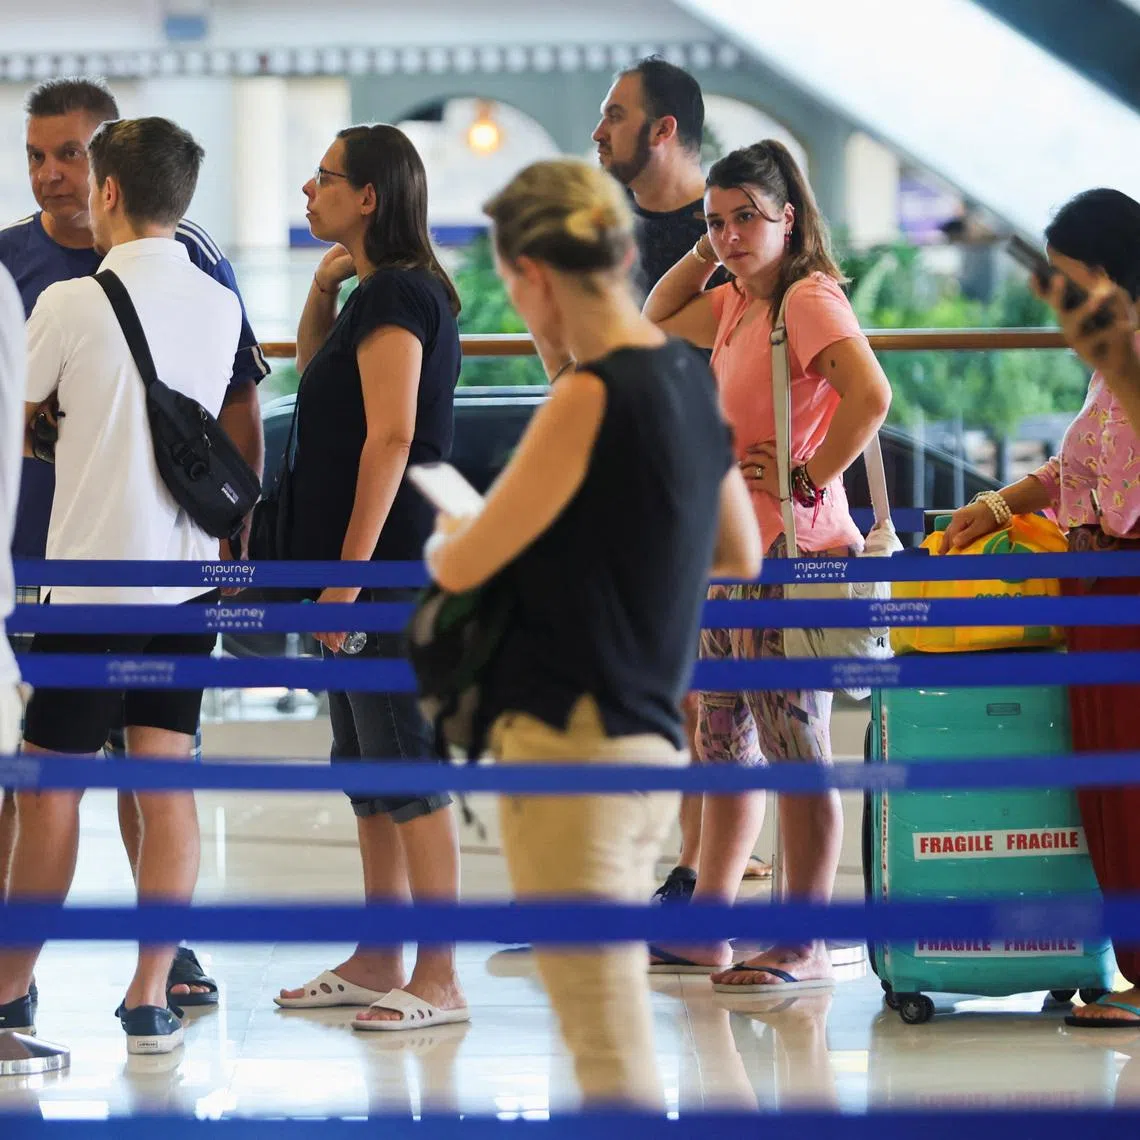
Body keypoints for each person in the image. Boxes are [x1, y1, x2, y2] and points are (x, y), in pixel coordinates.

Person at [424, 157, 761, 1108]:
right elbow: (738, 548)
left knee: (604, 1044)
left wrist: (468, 531)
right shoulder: (682, 381)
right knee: (607, 1034)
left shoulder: (588, 394)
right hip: (651, 735)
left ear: (531, 271)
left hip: (570, 739)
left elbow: (462, 563)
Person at [0, 77, 267, 1005]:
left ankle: (10, 986)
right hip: (185, 586)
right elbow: (230, 411)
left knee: (49, 793)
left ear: (108, 187)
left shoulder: (71, 303)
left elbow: (15, 416)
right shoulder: (220, 303)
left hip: (88, 586)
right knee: (166, 784)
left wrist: (54, 426)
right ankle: (150, 990)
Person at [643, 140, 891, 987]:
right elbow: (654, 311)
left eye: (748, 215)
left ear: (790, 217)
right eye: (717, 220)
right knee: (723, 739)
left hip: (792, 554)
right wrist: (706, 247)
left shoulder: (808, 298)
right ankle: (711, 926)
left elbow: (872, 395)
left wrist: (808, 474)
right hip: (734, 556)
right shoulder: (738, 302)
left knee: (794, 742)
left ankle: (804, 937)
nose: (731, 234)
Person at [274, 124, 467, 1032]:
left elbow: (392, 438)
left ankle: (438, 975)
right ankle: (382, 954)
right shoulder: (373, 292)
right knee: (367, 766)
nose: (307, 192)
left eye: (324, 179)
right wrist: (322, 285)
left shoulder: (397, 292)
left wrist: (347, 578)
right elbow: (316, 377)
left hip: (382, 573)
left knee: (407, 764)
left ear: (371, 196)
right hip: (355, 572)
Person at [943, 188, 1140, 1028]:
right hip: (1096, 589)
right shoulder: (1109, 364)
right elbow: (1078, 470)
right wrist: (997, 504)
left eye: (1064, 280)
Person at [593, 54, 767, 899]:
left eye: (615, 116)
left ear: (664, 131)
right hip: (628, 479)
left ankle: (704, 871)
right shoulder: (605, 233)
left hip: (715, 491)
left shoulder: (735, 238)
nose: (599, 132)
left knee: (710, 694)